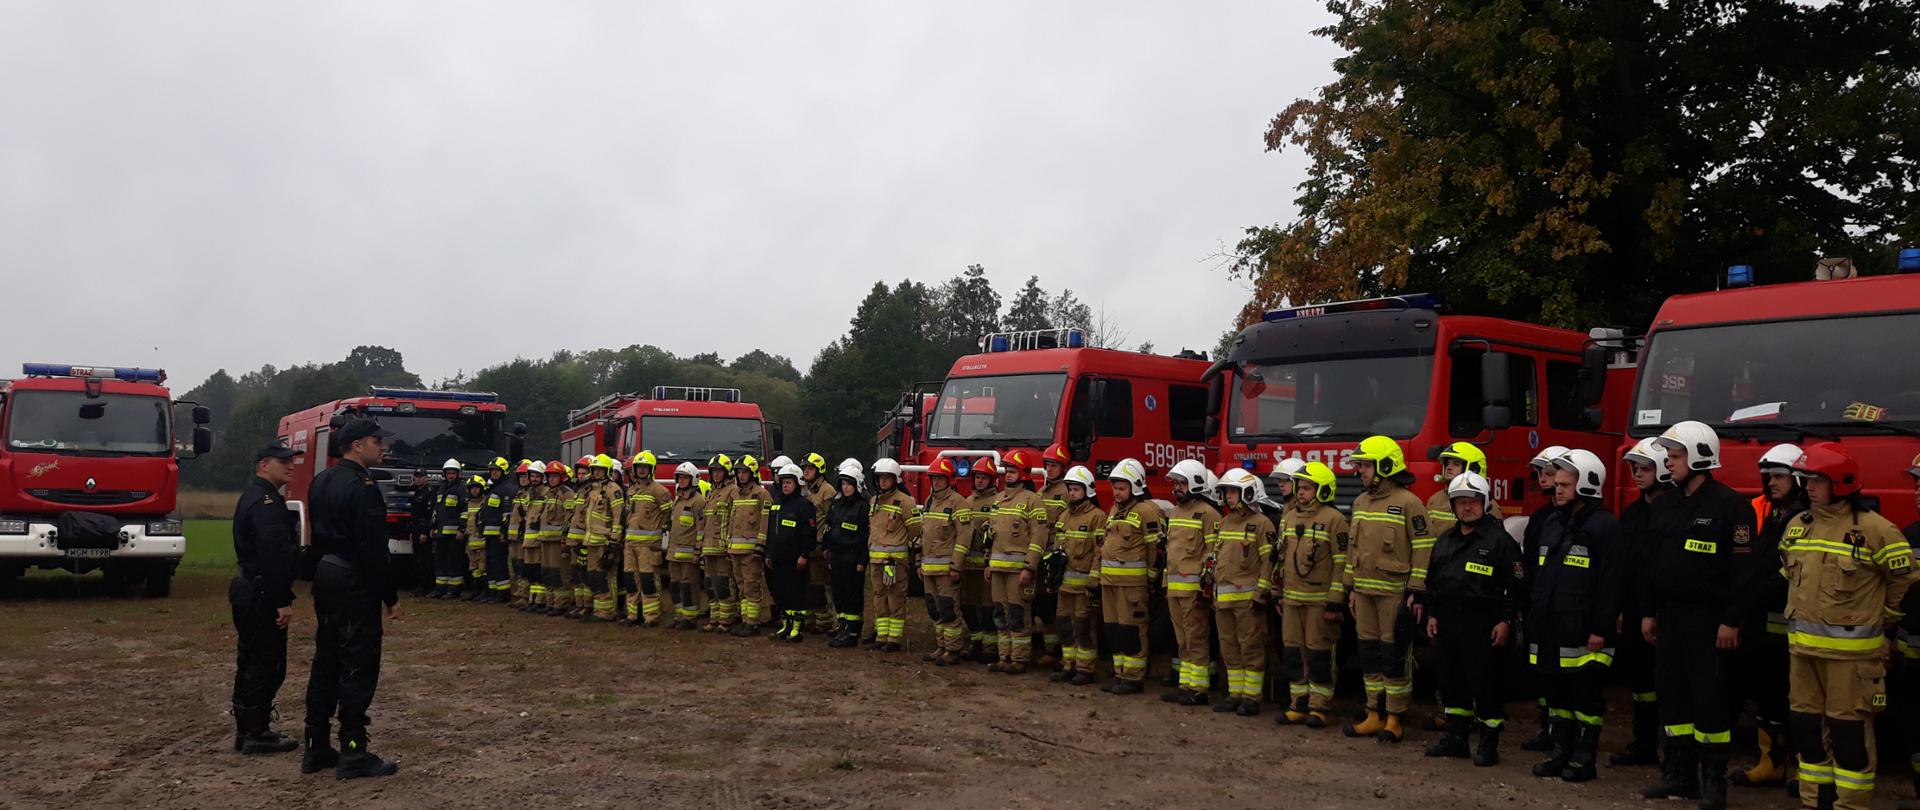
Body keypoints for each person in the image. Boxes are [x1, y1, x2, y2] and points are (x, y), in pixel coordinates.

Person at [1781, 442, 1915, 810]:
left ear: (1841, 483)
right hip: (1803, 654)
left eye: (1817, 481)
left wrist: (1885, 619)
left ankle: (1852, 805)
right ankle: (1815, 802)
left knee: (1849, 736)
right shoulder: (1797, 526)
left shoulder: (1877, 530)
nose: (1808, 487)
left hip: (1852, 660)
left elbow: (1904, 582)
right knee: (1806, 731)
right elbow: (1790, 577)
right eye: (1806, 479)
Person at [1640, 420, 1752, 808]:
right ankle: (1679, 774)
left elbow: (1743, 573)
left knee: (1710, 699)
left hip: (1710, 621)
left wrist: (1732, 619)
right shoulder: (1667, 503)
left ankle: (1713, 779)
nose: (1668, 464)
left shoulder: (1731, 506)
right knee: (1672, 698)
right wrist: (1650, 612)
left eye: (1675, 457)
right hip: (1669, 618)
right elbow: (1654, 562)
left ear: (1701, 456)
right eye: (1668, 457)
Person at [301, 418, 400, 779]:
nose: (382, 447)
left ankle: (316, 745)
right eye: (377, 441)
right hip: (352, 578)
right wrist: (389, 595)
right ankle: (354, 751)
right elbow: (373, 548)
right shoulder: (363, 486)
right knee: (358, 661)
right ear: (356, 445)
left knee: (326, 659)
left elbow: (315, 536)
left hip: (325, 575)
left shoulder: (321, 480)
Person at [1528, 449, 1623, 784]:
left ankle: (1584, 759)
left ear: (1588, 485)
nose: (1558, 489)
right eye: (1558, 484)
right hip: (1553, 629)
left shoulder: (1605, 527)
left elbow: (1610, 584)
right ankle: (1561, 752)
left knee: (1586, 698)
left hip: (1586, 635)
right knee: (1557, 697)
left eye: (1567, 484)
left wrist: (1601, 629)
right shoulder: (1553, 523)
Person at [1419, 471, 1525, 766]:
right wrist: (1432, 614)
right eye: (1461, 502)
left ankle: (1488, 746)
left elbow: (1516, 587)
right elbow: (1434, 581)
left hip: (1485, 624)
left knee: (1486, 686)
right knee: (1451, 684)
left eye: (1473, 502)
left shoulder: (1501, 541)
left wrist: (1506, 621)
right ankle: (1456, 741)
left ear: (1486, 502)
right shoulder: (1445, 540)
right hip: (1449, 622)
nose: (1467, 507)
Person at [1340, 435, 1433, 743]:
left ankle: (1395, 718)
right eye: (1360, 466)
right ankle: (1373, 715)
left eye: (1365, 466)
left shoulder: (1409, 502)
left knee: (1393, 656)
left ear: (1385, 466)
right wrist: (1350, 588)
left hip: (1394, 594)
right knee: (1368, 655)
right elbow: (1354, 550)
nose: (1360, 472)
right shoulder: (1360, 502)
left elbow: (1423, 546)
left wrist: (1416, 590)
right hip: (1364, 593)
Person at [1727, 443, 1806, 788]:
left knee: (1800, 699)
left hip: (1791, 622)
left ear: (1797, 479)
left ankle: (1804, 768)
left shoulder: (1803, 518)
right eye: (1768, 476)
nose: (1771, 483)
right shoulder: (1772, 513)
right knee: (1768, 693)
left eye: (1779, 477)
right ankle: (1770, 763)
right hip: (1762, 623)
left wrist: (1758, 589)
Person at [230, 442, 304, 755]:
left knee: (250, 661)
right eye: (283, 461)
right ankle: (256, 732)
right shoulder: (266, 503)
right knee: (266, 664)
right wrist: (281, 600)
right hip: (261, 593)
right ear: (264, 465)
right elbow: (273, 556)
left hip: (250, 588)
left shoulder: (257, 496)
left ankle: (247, 728)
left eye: (292, 461)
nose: (290, 466)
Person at [1612, 437, 1676, 767]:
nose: (1637, 475)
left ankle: (1676, 754)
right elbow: (1625, 565)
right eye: (1635, 469)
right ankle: (1644, 743)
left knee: (1671, 682)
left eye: (1645, 468)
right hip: (1637, 609)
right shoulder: (1633, 514)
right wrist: (1623, 609)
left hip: (1668, 610)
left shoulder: (1677, 510)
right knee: (1641, 682)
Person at [1276, 461, 1349, 728]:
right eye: (1299, 488)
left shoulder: (1334, 520)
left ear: (1323, 490)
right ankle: (1298, 704)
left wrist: (1335, 600)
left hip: (1320, 601)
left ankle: (1319, 707)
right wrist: (1279, 592)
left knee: (1319, 655)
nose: (1300, 493)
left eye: (1307, 488)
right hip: (1292, 599)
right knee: (1293, 653)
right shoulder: (1289, 517)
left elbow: (1342, 562)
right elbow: (1281, 558)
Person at [1211, 468, 1275, 715]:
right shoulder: (1226, 521)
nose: (1229, 497)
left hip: (1249, 602)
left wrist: (1262, 594)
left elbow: (1269, 562)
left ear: (1248, 493)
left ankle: (1252, 697)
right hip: (1224, 600)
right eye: (1227, 492)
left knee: (1251, 648)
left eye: (1234, 492)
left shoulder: (1261, 523)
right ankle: (1235, 694)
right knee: (1229, 647)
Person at [1519, 444, 1570, 754]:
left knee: (1564, 673)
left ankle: (1565, 732)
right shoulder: (1540, 518)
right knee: (1541, 670)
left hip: (1563, 608)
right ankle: (1546, 726)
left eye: (1549, 472)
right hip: (1539, 605)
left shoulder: (1576, 518)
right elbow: (1529, 564)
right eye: (1540, 472)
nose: (1543, 478)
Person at [1100, 457, 1164, 694]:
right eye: (1115, 488)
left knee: (1132, 631)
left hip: (1133, 586)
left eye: (1122, 488)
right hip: (1109, 583)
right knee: (1113, 631)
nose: (1116, 493)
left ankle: (1134, 678)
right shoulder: (1114, 511)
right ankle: (1120, 674)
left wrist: (1151, 579)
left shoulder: (1148, 511)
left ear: (1135, 486)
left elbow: (1155, 550)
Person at [1161, 458, 1221, 706]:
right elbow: (1170, 552)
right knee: (1182, 640)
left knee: (1196, 639)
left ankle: (1199, 689)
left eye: (1181, 483)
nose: (1176, 488)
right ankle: (1185, 685)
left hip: (1194, 590)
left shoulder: (1209, 514)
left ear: (1195, 483)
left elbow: (1213, 553)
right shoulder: (1174, 513)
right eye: (1175, 483)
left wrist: (1205, 586)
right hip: (1174, 589)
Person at [984, 448, 1048, 674]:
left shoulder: (1033, 501)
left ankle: (1020, 659)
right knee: (1000, 614)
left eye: (1013, 471)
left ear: (1024, 473)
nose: (1008, 475)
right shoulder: (998, 500)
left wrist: (1029, 567)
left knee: (1018, 613)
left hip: (1019, 570)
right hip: (998, 568)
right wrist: (989, 564)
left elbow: (1039, 537)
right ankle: (1005, 657)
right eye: (1006, 471)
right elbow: (991, 536)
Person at [1047, 465, 1106, 685]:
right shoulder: (1064, 516)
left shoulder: (1097, 517)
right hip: (1064, 586)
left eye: (1076, 489)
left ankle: (1085, 668)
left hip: (1084, 588)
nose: (1072, 493)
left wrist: (1093, 582)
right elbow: (1057, 550)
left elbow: (1100, 551)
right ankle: (1068, 664)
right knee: (1064, 625)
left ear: (1088, 490)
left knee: (1084, 627)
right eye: (1070, 489)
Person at [917, 457, 972, 664]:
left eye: (941, 479)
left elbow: (964, 537)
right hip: (928, 567)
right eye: (934, 479)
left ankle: (953, 649)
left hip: (947, 569)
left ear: (949, 479)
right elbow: (924, 535)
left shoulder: (958, 502)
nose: (937, 483)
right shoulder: (930, 502)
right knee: (934, 609)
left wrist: (956, 566)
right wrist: (919, 562)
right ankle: (941, 646)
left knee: (949, 609)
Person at [865, 458, 920, 652]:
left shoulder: (906, 502)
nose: (883, 482)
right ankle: (882, 634)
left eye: (887, 478)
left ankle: (894, 638)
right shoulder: (874, 501)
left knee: (895, 596)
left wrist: (900, 546)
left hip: (893, 561)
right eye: (880, 478)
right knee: (879, 596)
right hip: (876, 559)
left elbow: (915, 529)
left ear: (896, 479)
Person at [765, 463, 819, 642]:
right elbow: (771, 532)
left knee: (796, 593)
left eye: (789, 482)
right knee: (781, 593)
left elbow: (810, 533)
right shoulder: (776, 504)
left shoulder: (804, 506)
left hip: (796, 559)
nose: (785, 485)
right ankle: (786, 624)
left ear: (798, 483)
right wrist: (769, 554)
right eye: (783, 482)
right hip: (778, 558)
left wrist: (804, 555)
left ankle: (797, 627)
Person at [1033, 444, 1075, 668]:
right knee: (1043, 604)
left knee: (1057, 606)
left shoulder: (1068, 492)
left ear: (1064, 468)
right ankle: (1051, 649)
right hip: (1041, 556)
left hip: (1057, 558)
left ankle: (1061, 650)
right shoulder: (1041, 492)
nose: (1049, 470)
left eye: (1054, 466)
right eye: (1047, 465)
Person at [959, 457, 1003, 662]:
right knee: (967, 605)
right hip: (968, 566)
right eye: (977, 477)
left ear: (992, 480)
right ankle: (976, 642)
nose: (979, 481)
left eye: (984, 478)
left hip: (987, 565)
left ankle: (990, 647)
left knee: (988, 608)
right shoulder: (967, 502)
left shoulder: (998, 502)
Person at [823, 460, 870, 648]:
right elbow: (829, 526)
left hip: (853, 557)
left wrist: (862, 560)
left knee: (853, 594)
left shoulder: (863, 506)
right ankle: (842, 625)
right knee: (839, 592)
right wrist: (827, 548)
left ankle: (852, 631)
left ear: (857, 485)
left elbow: (866, 536)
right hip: (837, 556)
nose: (845, 487)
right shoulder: (837, 504)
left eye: (849, 484)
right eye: (843, 483)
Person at [622, 451, 672, 627]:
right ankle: (633, 615)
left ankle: (651, 616)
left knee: (648, 581)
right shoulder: (632, 490)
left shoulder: (660, 491)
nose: (642, 471)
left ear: (651, 469)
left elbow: (667, 515)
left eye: (645, 467)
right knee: (630, 580)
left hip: (648, 546)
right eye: (639, 467)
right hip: (630, 545)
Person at [726, 456, 774, 636]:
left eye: (744, 472)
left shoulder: (762, 494)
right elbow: (731, 520)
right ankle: (745, 620)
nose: (741, 475)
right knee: (740, 587)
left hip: (751, 551)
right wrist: (728, 544)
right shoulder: (735, 494)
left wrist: (760, 546)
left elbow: (765, 522)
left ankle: (753, 622)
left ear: (753, 473)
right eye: (738, 472)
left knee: (751, 586)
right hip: (735, 550)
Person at [573, 454, 624, 622]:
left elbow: (618, 517)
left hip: (605, 540)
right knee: (593, 575)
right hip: (591, 540)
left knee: (606, 576)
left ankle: (608, 611)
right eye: (594, 470)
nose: (597, 473)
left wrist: (614, 541)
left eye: (600, 470)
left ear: (607, 471)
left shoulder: (613, 489)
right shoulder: (593, 490)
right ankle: (599, 609)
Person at [665, 462, 708, 630]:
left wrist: (698, 550)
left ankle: (690, 618)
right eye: (680, 477)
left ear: (694, 480)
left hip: (689, 553)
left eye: (685, 478)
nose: (681, 480)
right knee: (674, 585)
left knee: (688, 585)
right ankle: (679, 615)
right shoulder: (678, 499)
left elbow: (701, 529)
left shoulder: (698, 501)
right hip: (674, 552)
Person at [702, 455, 739, 632]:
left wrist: (730, 545)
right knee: (710, 584)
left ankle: (726, 620)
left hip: (723, 547)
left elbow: (735, 520)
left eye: (719, 471)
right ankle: (714, 618)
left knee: (724, 585)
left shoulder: (733, 491)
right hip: (708, 547)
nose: (716, 474)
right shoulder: (711, 492)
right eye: (713, 471)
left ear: (727, 472)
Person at [801, 453, 836, 634]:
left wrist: (827, 546)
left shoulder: (827, 491)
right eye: (805, 469)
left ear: (819, 470)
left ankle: (825, 620)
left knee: (820, 584)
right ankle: (812, 619)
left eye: (810, 469)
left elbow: (832, 520)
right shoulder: (806, 490)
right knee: (808, 584)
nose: (806, 471)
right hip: (807, 545)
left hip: (819, 545)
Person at [537, 461, 574, 616]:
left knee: (560, 573)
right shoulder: (548, 493)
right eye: (549, 476)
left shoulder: (567, 494)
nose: (551, 479)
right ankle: (550, 601)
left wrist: (565, 540)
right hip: (545, 540)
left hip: (558, 541)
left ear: (562, 477)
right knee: (547, 572)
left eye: (554, 476)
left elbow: (570, 518)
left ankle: (562, 603)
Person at [471, 457, 511, 601]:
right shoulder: (493, 489)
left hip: (499, 535)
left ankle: (503, 593)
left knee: (499, 564)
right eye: (492, 470)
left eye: (497, 471)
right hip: (489, 534)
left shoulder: (507, 489)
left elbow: (507, 514)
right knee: (491, 563)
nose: (494, 473)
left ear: (504, 471)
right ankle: (493, 592)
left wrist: (503, 532)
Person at [428, 459, 467, 599]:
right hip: (440, 533)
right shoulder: (441, 488)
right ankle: (440, 588)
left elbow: (465, 510)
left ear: (458, 474)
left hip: (454, 535)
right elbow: (436, 510)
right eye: (448, 473)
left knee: (454, 561)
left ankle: (454, 589)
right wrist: (432, 526)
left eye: (453, 473)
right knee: (440, 561)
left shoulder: (462, 489)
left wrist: (461, 529)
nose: (451, 476)